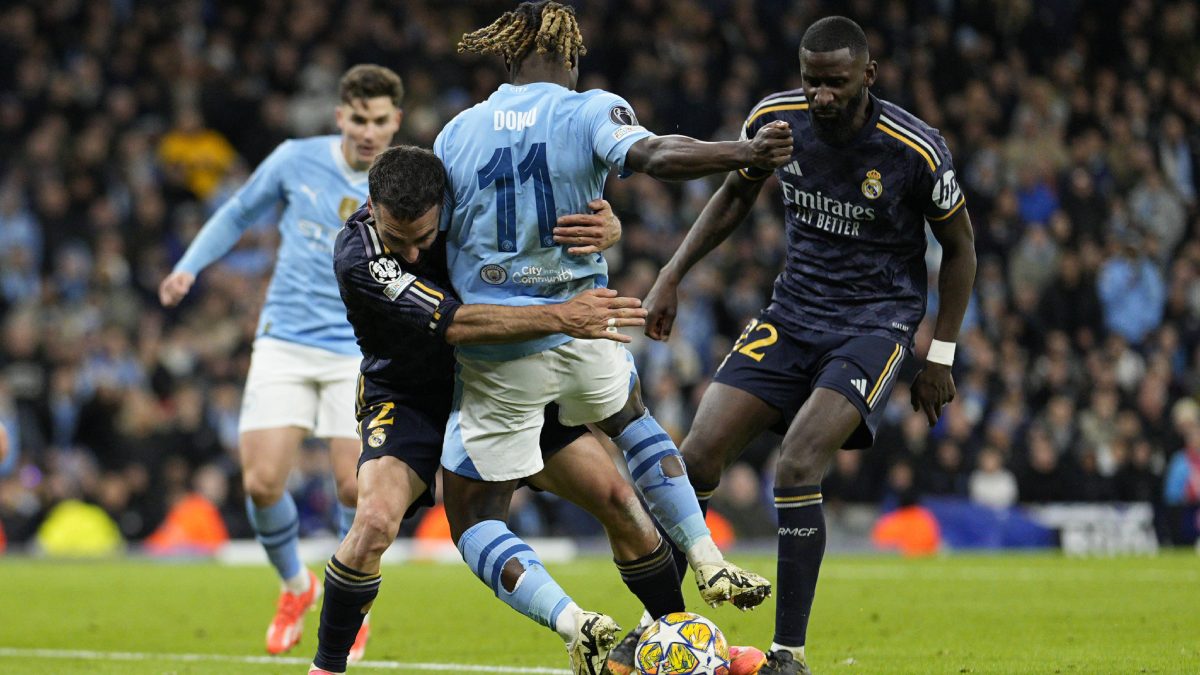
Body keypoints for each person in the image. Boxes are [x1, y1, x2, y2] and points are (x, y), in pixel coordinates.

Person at [434, 1, 792, 669]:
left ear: (507, 56)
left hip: (500, 352)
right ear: (572, 57)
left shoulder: (456, 133)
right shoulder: (590, 109)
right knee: (631, 423)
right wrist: (744, 153)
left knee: (475, 517)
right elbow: (655, 154)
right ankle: (706, 556)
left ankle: (577, 621)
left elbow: (432, 240)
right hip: (588, 328)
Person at [628, 16, 978, 675]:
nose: (821, 94)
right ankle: (660, 625)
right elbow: (734, 196)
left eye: (835, 82)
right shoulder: (775, 120)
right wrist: (671, 274)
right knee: (695, 456)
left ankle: (788, 655)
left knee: (796, 464)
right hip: (791, 315)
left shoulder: (915, 148)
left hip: (874, 324)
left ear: (868, 75)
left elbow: (960, 248)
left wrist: (941, 354)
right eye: (811, 80)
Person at [308, 145, 687, 675]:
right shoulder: (360, 256)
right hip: (408, 396)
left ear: (443, 205)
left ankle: (680, 638)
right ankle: (326, 668)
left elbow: (547, 227)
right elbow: (455, 324)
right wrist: (562, 316)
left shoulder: (474, 207)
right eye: (399, 239)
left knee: (620, 500)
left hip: (501, 384)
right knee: (372, 522)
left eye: (424, 238)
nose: (412, 254)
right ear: (371, 207)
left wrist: (610, 227)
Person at [158, 64, 405, 659]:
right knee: (262, 482)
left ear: (396, 121)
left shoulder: (406, 177)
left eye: (380, 120)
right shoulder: (296, 158)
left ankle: (351, 603)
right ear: (340, 116)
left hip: (358, 347)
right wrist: (189, 266)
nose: (368, 131)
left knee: (354, 487)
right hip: (285, 339)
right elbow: (239, 211)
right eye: (359, 119)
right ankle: (297, 586)